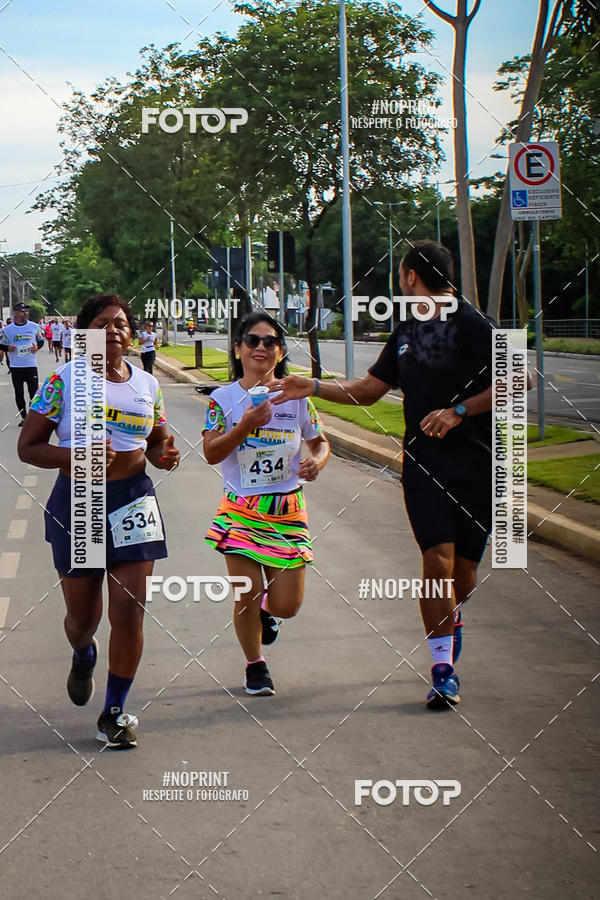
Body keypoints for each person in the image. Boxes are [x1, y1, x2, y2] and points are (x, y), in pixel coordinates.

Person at [271, 241, 499, 710]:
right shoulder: (406, 333)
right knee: (436, 561)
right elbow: (369, 391)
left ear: (411, 277)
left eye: (401, 275)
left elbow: (523, 378)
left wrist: (459, 410)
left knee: (465, 575)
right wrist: (310, 385)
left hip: (476, 466)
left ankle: (451, 619)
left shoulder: (472, 323)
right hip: (424, 465)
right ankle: (442, 671)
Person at [18, 294, 180, 748]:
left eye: (122, 323)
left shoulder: (147, 385)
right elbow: (28, 447)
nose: (114, 330)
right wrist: (75, 454)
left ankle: (114, 712)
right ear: (84, 332)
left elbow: (158, 440)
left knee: (129, 610)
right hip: (80, 502)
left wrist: (164, 454)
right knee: (83, 617)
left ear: (132, 334)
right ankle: (83, 652)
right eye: (103, 323)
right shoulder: (63, 380)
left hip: (133, 502)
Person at [203, 311, 330, 695]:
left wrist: (317, 462)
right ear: (239, 348)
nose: (261, 347)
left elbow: (321, 442)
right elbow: (210, 452)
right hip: (240, 508)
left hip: (287, 512)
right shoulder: (222, 398)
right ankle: (255, 665)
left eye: (270, 341)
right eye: (253, 340)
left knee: (287, 605)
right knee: (247, 591)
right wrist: (244, 426)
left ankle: (266, 616)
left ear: (279, 352)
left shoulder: (294, 397)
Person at [0, 303, 45, 425]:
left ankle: (33, 416)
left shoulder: (34, 327)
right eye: (22, 311)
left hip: (31, 365)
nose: (25, 313)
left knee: (34, 393)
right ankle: (24, 417)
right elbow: (1, 344)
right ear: (15, 313)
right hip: (16, 367)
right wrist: (7, 348)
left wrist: (37, 347)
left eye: (26, 311)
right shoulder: (7, 330)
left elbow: (40, 341)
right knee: (19, 393)